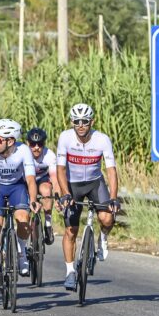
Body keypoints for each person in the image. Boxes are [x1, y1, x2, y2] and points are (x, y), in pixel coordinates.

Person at [56, 103, 119, 291]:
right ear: (72, 122)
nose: (81, 125)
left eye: (84, 121)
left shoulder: (102, 140)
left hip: (94, 182)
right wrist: (65, 193)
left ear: (92, 121)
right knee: (71, 230)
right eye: (77, 121)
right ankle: (70, 272)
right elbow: (60, 169)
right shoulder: (65, 138)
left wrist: (113, 198)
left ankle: (103, 238)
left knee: (107, 218)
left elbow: (111, 171)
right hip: (73, 184)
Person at [0, 119, 39, 287]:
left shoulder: (24, 151)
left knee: (23, 219)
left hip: (16, 187)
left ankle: (21, 254)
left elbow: (30, 179)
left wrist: (33, 200)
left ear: (10, 141)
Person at [26, 127, 58, 244]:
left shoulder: (49, 155)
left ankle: (48, 224)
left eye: (39, 144)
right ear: (27, 143)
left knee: (46, 190)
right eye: (33, 144)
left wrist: (57, 194)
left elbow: (54, 178)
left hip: (42, 179)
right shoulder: (24, 153)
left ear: (44, 144)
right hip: (27, 180)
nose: (36, 147)